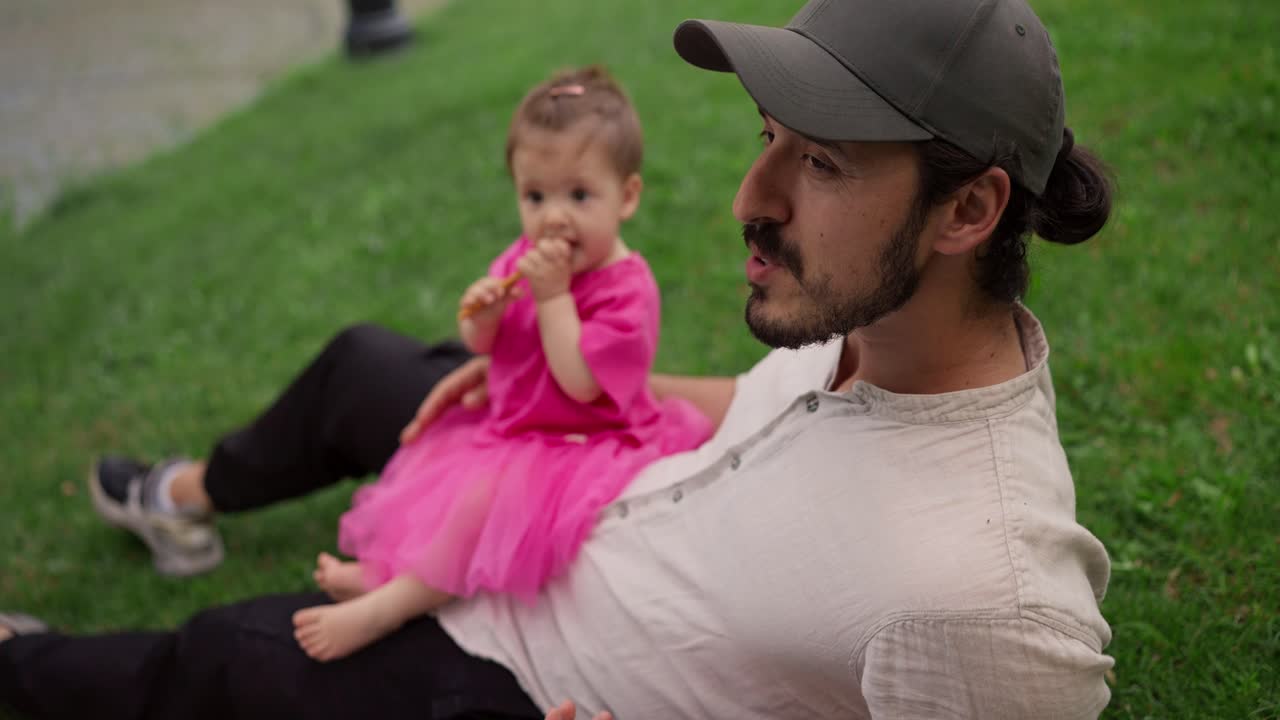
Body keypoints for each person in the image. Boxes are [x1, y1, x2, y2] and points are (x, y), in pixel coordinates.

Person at [0, 0, 1118, 717]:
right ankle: (184, 495)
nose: (748, 201)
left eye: (819, 164)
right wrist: (514, 377)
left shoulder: (984, 607)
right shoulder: (874, 332)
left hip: (528, 674)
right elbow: (742, 399)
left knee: (230, 655)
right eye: (762, 139)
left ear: (966, 208)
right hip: (607, 469)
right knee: (368, 368)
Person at [291, 65, 713, 662]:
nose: (552, 217)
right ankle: (389, 572)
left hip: (580, 444)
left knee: (480, 504)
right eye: (534, 196)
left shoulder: (627, 292)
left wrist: (553, 298)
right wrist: (482, 313)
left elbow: (581, 382)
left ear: (628, 197)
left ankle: (389, 608)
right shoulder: (527, 258)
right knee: (437, 465)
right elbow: (482, 343)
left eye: (579, 195)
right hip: (513, 424)